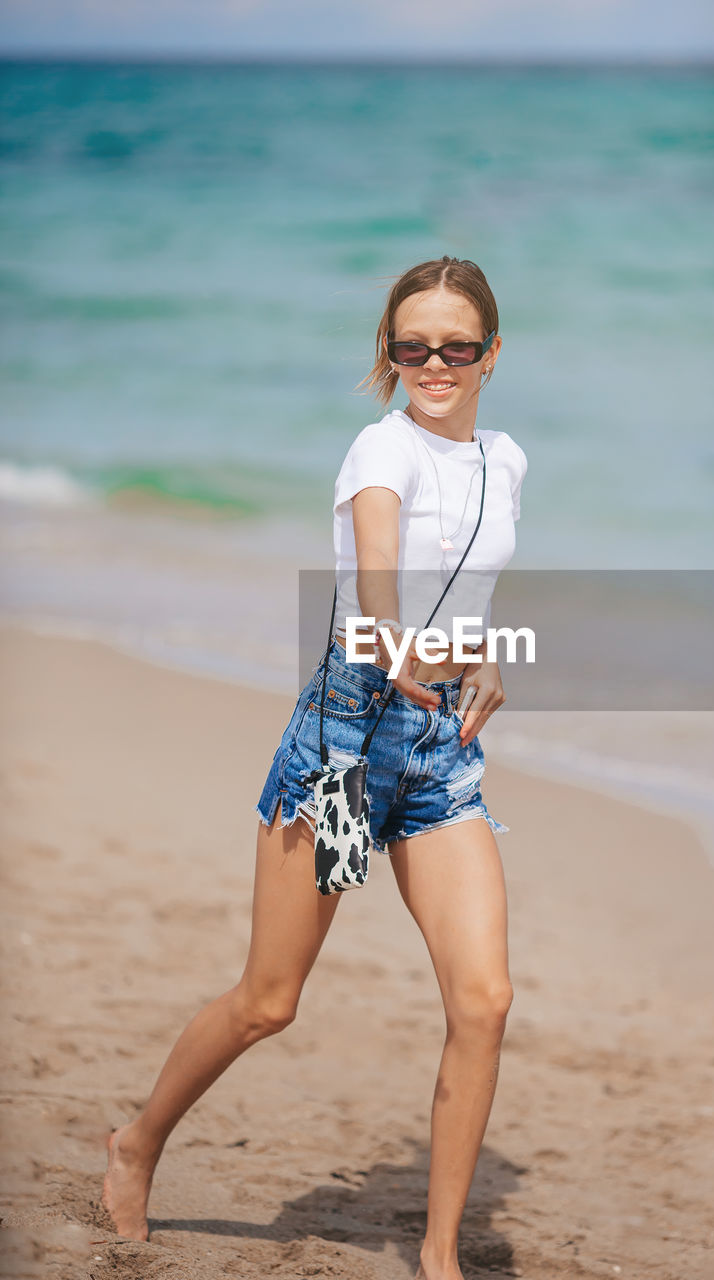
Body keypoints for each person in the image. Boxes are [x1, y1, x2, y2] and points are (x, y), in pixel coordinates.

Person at [101, 255, 528, 1280]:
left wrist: (491, 659)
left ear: (490, 354)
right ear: (389, 353)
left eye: (454, 345)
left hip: (438, 759)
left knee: (486, 1000)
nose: (433, 361)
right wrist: (392, 636)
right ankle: (137, 1141)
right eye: (411, 344)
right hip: (343, 743)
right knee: (270, 998)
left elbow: (467, 597)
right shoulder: (377, 452)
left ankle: (437, 1253)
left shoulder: (506, 459)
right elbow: (377, 579)